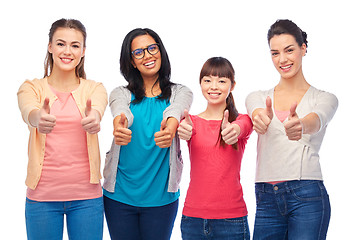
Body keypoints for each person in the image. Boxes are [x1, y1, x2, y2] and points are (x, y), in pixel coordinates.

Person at [246, 19, 338, 240]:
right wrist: (261, 119)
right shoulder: (257, 97)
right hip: (266, 197)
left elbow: (317, 120)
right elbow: (257, 113)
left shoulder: (325, 98)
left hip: (307, 195)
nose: (282, 59)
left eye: (289, 50)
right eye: (275, 53)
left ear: (303, 49)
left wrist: (302, 125)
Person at [17, 19, 108, 240]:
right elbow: (29, 110)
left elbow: (97, 110)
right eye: (60, 44)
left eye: (75, 45)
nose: (67, 51)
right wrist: (38, 118)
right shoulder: (31, 87)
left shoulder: (94, 88)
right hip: (42, 199)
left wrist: (94, 119)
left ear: (83, 51)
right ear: (50, 46)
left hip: (87, 199)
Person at [102, 28, 193, 240]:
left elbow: (176, 110)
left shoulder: (181, 92)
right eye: (139, 52)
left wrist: (171, 128)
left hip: (161, 199)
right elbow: (121, 111)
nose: (148, 55)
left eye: (152, 48)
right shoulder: (121, 93)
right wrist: (120, 126)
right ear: (132, 61)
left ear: (161, 51)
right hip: (119, 197)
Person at [178, 57, 253, 240]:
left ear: (232, 85)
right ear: (200, 83)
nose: (213, 86)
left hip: (232, 221)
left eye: (221, 81)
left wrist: (233, 130)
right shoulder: (191, 122)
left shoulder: (241, 120)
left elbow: (243, 127)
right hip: (193, 219)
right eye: (208, 80)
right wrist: (182, 130)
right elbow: (179, 128)